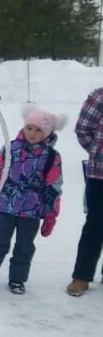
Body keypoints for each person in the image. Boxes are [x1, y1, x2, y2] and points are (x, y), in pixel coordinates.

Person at [0, 106, 64, 295]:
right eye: (30, 127)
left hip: (32, 211)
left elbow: (54, 187)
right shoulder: (9, 149)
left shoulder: (51, 157)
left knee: (24, 246)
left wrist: (50, 214)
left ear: (47, 133)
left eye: (39, 130)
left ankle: (17, 279)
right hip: (5, 206)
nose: (32, 133)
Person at [67, 87, 103, 296]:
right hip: (100, 175)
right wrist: (97, 152)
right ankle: (81, 276)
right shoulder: (99, 97)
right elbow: (83, 129)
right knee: (95, 224)